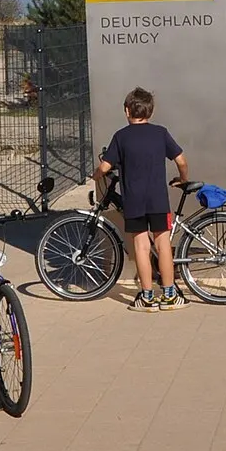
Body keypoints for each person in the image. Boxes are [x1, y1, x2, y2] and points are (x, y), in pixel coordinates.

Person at [94, 87, 190, 311]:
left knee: (141, 246)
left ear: (127, 110)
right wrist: (183, 178)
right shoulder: (160, 133)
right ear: (151, 112)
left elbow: (105, 166)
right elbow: (181, 160)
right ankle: (169, 295)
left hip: (134, 200)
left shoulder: (121, 136)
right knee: (163, 245)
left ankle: (147, 296)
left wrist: (96, 174)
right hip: (158, 199)